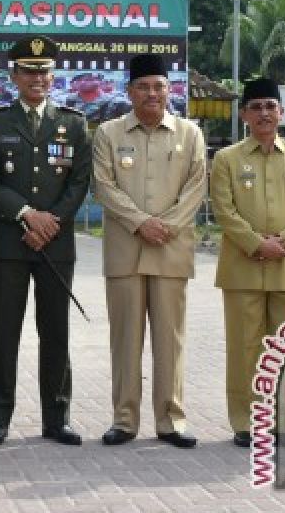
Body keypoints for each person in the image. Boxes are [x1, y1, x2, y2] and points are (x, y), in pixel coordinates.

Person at [0, 36, 92, 446]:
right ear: (14, 76)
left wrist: (51, 222)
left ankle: (56, 417)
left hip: (56, 246)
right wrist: (27, 215)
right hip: (10, 243)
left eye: (43, 71)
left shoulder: (74, 123)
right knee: (3, 332)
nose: (37, 78)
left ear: (53, 75)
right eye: (28, 71)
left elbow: (79, 183)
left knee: (55, 331)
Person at [91, 53, 206, 448]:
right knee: (125, 338)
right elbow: (104, 186)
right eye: (143, 86)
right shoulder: (108, 133)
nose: (152, 93)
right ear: (130, 91)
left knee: (169, 339)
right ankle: (123, 419)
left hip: (171, 251)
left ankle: (171, 419)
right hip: (126, 250)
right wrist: (141, 222)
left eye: (159, 86)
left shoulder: (190, 134)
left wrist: (168, 225)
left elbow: (196, 187)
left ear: (169, 90)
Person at [209, 77, 285, 448]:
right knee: (244, 348)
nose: (264, 113)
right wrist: (257, 244)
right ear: (244, 114)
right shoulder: (226, 159)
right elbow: (224, 211)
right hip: (243, 267)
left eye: (270, 106)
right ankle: (246, 421)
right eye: (255, 107)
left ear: (282, 112)